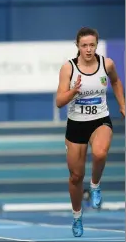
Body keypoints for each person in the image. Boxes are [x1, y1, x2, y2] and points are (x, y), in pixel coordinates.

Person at [56, 27, 125, 237]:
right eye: (84, 45)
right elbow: (59, 102)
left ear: (96, 45)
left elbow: (115, 81)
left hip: (100, 120)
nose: (88, 49)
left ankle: (95, 185)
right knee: (76, 177)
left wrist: (122, 104)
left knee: (100, 153)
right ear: (77, 46)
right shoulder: (69, 68)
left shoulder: (107, 64)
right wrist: (73, 91)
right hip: (76, 124)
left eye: (92, 45)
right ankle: (77, 217)